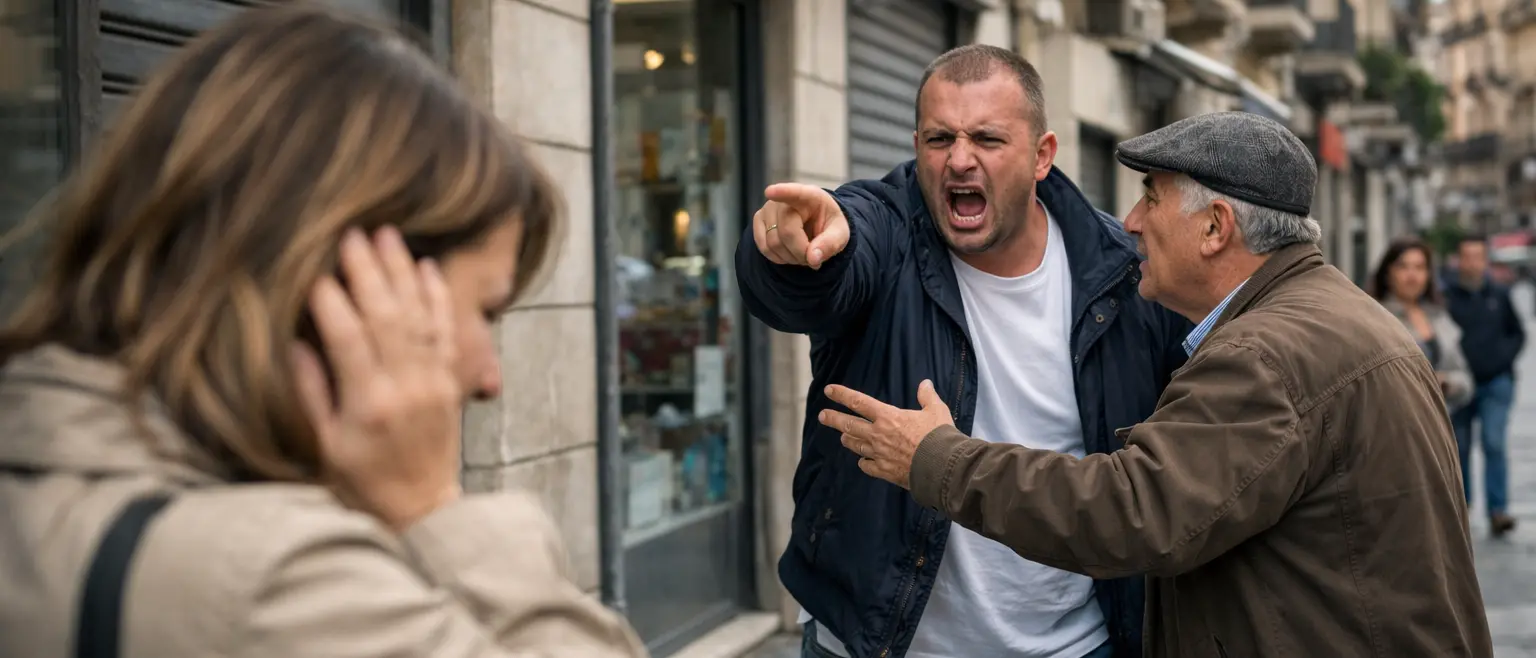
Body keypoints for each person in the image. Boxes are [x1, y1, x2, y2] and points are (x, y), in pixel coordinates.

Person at [0, 5, 645, 657]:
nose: (490, 378)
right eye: (485, 312)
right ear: (348, 294)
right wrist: (433, 507)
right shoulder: (279, 583)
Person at [818, 112, 1493, 657]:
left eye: (1150, 197)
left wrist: (936, 458)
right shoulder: (1335, 314)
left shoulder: (1265, 356)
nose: (1133, 222)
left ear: (1215, 227)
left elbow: (1132, 513)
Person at [736, 44, 1190, 658]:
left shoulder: (1125, 273)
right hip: (870, 642)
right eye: (939, 138)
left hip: (1071, 644)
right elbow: (825, 269)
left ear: (1042, 155)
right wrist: (791, 253)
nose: (959, 160)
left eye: (987, 138)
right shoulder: (887, 233)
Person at [1444, 234, 1526, 537]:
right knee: (1459, 447)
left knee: (1493, 442)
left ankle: (1498, 510)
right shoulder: (1447, 297)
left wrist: (1502, 358)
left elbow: (1517, 333)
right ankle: (1461, 509)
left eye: (1477, 257)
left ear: (1485, 260)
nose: (1472, 263)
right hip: (1460, 386)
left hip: (1496, 382)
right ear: (1458, 260)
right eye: (1466, 257)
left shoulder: (1499, 294)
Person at [1368, 237, 1474, 411]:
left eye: (1419, 267)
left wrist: (1446, 384)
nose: (1412, 275)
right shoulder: (1375, 317)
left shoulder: (1439, 317)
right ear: (1387, 273)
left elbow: (1464, 377)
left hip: (1441, 419)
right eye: (1403, 267)